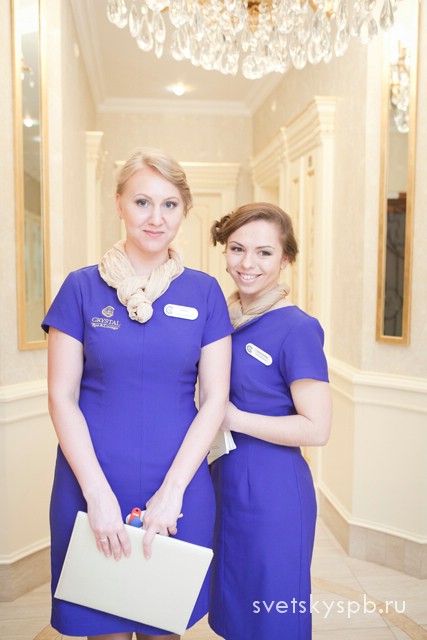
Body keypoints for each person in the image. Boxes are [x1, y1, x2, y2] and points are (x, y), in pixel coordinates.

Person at [42, 147, 232, 640]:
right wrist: (96, 494)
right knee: (102, 626)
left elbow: (215, 399)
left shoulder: (205, 292)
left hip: (178, 485)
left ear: (184, 211)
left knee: (161, 627)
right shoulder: (81, 289)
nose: (156, 217)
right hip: (91, 479)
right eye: (142, 202)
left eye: (170, 204)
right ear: (119, 204)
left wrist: (172, 493)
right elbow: (61, 396)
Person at [208, 203, 332, 640]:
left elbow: (317, 428)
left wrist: (232, 417)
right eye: (237, 248)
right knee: (235, 617)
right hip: (223, 484)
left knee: (272, 620)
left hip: (273, 492)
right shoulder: (220, 321)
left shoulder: (296, 328)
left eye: (264, 252)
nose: (247, 263)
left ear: (286, 259)